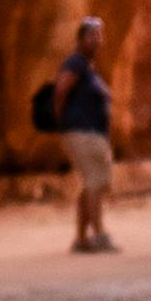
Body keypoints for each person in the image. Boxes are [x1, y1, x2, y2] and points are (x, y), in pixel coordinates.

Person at [51, 14, 116, 251]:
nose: (97, 40)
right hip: (81, 131)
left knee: (92, 182)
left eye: (99, 35)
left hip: (92, 132)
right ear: (81, 39)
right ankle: (98, 233)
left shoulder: (89, 67)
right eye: (92, 35)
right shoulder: (76, 63)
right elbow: (60, 91)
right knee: (95, 182)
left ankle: (81, 238)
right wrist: (63, 123)